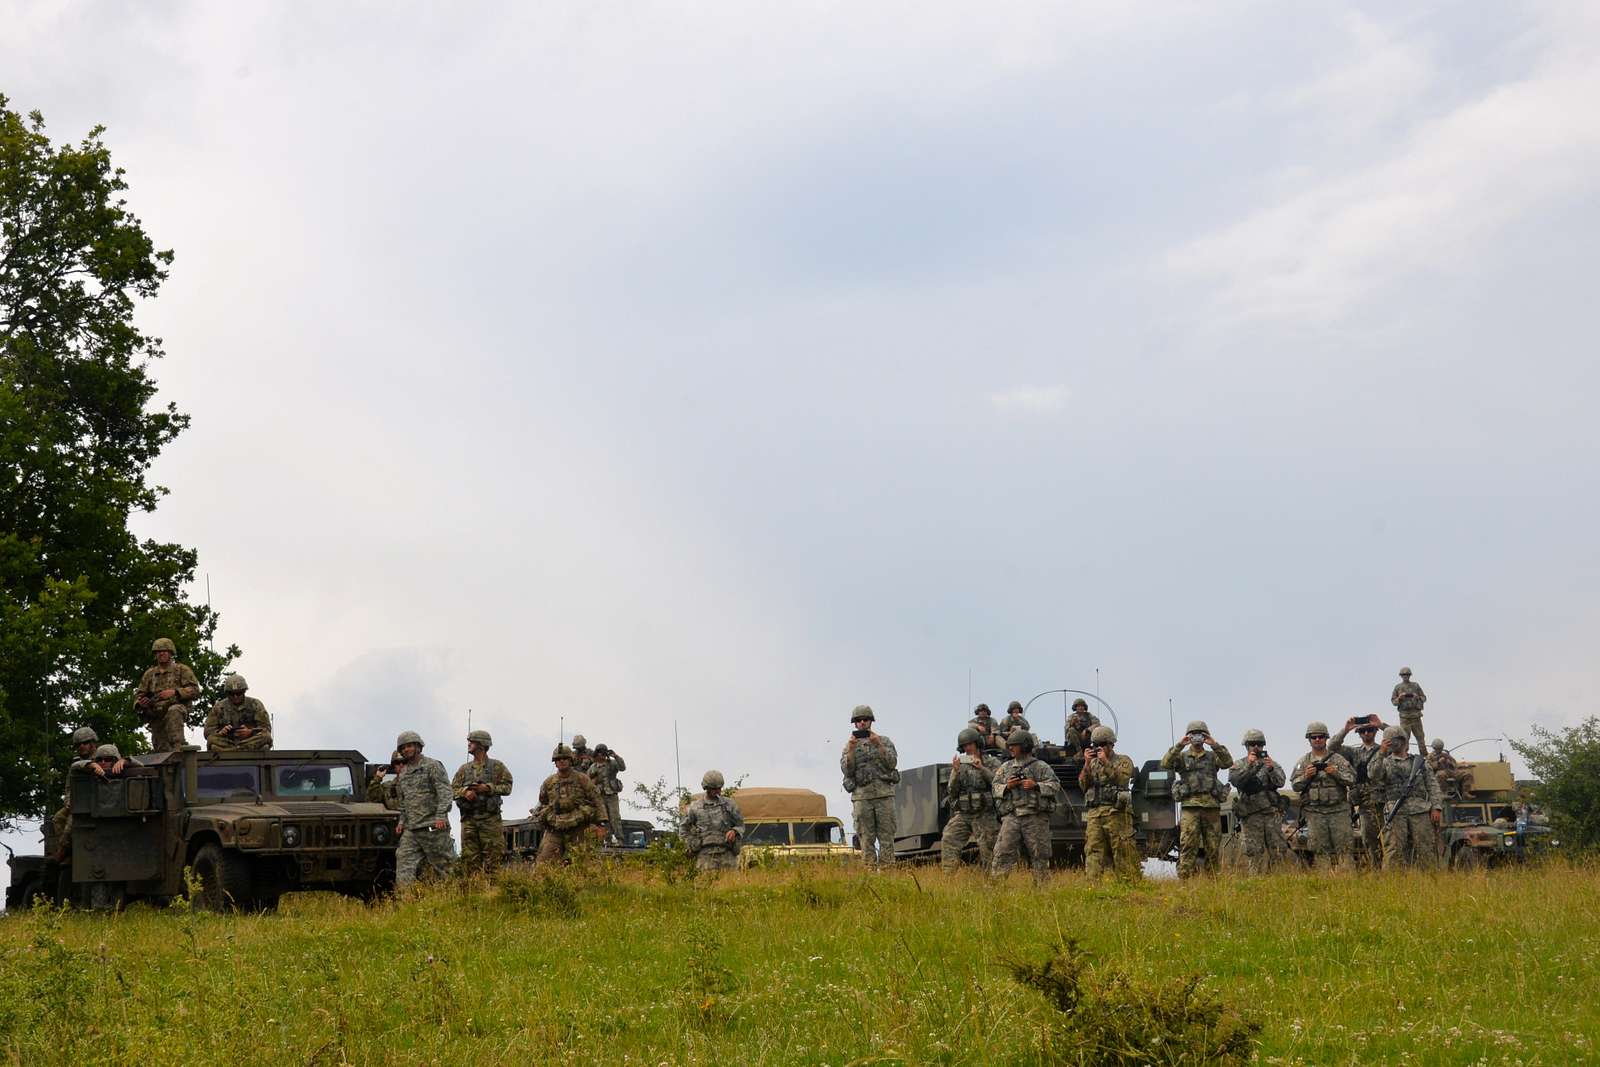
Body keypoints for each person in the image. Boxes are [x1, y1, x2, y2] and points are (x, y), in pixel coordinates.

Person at [1161, 720, 1233, 879]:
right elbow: (1165, 763)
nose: (1197, 737)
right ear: (1189, 736)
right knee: (1188, 846)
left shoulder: (1213, 756)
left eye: (1201, 734)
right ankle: (1185, 882)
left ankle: (1213, 882)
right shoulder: (1181, 756)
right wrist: (1180, 744)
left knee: (1213, 847)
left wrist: (1214, 744)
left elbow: (1228, 762)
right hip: (1190, 807)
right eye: (1194, 734)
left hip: (1211, 808)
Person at [384, 730, 453, 887]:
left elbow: (445, 792)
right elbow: (404, 802)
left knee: (445, 867)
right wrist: (402, 822)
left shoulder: (432, 766)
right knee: (403, 860)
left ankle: (454, 898)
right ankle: (405, 901)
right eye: (403, 748)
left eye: (409, 746)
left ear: (418, 747)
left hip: (432, 826)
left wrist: (441, 815)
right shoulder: (404, 773)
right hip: (412, 829)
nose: (406, 750)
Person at [991, 730, 1061, 882]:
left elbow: (1055, 785)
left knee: (1040, 856)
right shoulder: (1005, 767)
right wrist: (1007, 786)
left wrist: (1036, 785)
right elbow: (995, 787)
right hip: (1012, 817)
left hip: (1035, 817)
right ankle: (996, 888)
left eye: (1014, 746)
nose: (1010, 749)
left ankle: (1042, 890)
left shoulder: (1041, 766)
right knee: (1002, 853)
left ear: (1024, 746)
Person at [1370, 726, 1443, 869]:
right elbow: (1373, 775)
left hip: (1420, 810)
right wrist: (1381, 753)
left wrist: (1437, 807)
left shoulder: (1420, 762)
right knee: (1394, 849)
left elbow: (1433, 785)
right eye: (1389, 741)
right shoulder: (1384, 762)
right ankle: (1394, 882)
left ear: (1403, 741)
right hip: (1396, 811)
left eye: (1396, 740)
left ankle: (1430, 881)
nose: (1393, 744)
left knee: (1425, 847)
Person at [1291, 721, 1356, 869]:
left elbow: (1352, 780)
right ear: (1309, 739)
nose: (1318, 740)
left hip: (1338, 811)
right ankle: (1324, 883)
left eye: (1321, 736)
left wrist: (1336, 773)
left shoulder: (1338, 759)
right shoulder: (1303, 762)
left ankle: (1348, 882)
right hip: (1315, 813)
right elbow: (1295, 785)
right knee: (1320, 850)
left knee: (1345, 848)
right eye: (1314, 737)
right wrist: (1305, 776)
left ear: (1326, 738)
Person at [840, 705, 898, 868]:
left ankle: (887, 873)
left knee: (887, 837)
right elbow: (847, 770)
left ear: (871, 721)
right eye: (859, 720)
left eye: (866, 719)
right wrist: (851, 749)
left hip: (884, 796)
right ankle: (869, 873)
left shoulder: (884, 741)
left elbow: (892, 763)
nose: (863, 723)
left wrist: (878, 744)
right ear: (855, 724)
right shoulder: (849, 745)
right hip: (862, 797)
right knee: (866, 838)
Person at [1079, 725, 1138, 881]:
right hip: (1095, 814)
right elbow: (1083, 786)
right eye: (1095, 745)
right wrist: (1086, 764)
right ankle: (1093, 886)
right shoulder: (1092, 764)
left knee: (1122, 849)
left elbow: (1123, 779)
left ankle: (1128, 884)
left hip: (1116, 812)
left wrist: (1106, 762)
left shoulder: (1123, 760)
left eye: (1102, 744)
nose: (1099, 748)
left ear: (1111, 744)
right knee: (1092, 850)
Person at [941, 727, 1002, 871]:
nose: (967, 748)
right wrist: (955, 772)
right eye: (964, 746)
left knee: (989, 849)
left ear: (977, 743)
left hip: (984, 814)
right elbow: (952, 791)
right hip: (964, 813)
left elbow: (998, 783)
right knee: (949, 838)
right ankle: (948, 878)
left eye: (970, 744)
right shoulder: (960, 765)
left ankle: (993, 883)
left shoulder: (992, 762)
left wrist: (981, 768)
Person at [452, 729, 512, 874]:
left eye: (471, 742)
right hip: (469, 821)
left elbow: (508, 787)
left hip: (490, 820)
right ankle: (474, 892)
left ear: (481, 744)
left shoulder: (497, 766)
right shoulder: (464, 769)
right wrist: (465, 792)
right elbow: (451, 790)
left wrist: (488, 788)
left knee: (494, 860)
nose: (468, 744)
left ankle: (493, 893)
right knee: (470, 861)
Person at [1227, 729, 1286, 875]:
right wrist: (1250, 766)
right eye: (1252, 744)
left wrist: (1271, 768)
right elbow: (1236, 781)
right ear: (1246, 746)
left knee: (1278, 850)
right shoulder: (1239, 764)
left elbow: (1281, 782)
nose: (1256, 747)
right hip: (1251, 815)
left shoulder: (1271, 763)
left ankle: (1279, 882)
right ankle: (1256, 883)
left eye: (1259, 744)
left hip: (1271, 814)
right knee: (1254, 853)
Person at [533, 743, 605, 865]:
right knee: (544, 864)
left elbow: (596, 799)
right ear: (554, 762)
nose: (561, 761)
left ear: (571, 760)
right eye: (558, 759)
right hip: (555, 828)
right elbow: (543, 802)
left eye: (565, 758)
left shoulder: (582, 779)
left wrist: (601, 823)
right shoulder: (548, 782)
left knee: (582, 863)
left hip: (578, 828)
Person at [1330, 715, 1386, 868]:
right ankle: (1376, 870)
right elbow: (1332, 748)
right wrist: (1346, 730)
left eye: (1370, 730)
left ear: (1375, 732)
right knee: (1369, 838)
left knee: (1390, 839)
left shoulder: (1385, 749)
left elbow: (1399, 738)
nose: (1366, 734)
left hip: (1385, 802)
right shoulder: (1353, 753)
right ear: (1359, 734)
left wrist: (1381, 725)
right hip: (1364, 802)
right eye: (1363, 731)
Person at [132, 637, 199, 751]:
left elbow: (195, 690)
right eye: (158, 652)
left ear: (171, 653)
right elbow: (139, 695)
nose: (161, 654)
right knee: (161, 750)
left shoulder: (181, 670)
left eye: (164, 651)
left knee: (174, 711)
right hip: (156, 713)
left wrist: (175, 692)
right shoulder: (150, 674)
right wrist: (141, 703)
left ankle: (178, 746)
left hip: (176, 707)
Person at [49, 727, 102, 863]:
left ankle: (62, 852)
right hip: (77, 803)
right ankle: (69, 851)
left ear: (92, 743)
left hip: (96, 803)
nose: (81, 747)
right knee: (57, 818)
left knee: (71, 824)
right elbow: (69, 787)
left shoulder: (103, 757)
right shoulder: (76, 763)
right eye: (78, 745)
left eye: (84, 743)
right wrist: (68, 801)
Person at [681, 770, 745, 870]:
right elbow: (683, 829)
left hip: (727, 854)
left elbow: (740, 825)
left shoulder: (729, 805)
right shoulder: (695, 808)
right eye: (715, 789)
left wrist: (734, 831)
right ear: (707, 788)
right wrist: (692, 843)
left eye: (719, 788)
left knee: (730, 884)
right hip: (705, 856)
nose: (718, 791)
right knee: (706, 884)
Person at [203, 674, 274, 751]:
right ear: (227, 693)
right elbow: (208, 732)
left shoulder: (255, 704)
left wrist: (250, 732)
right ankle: (240, 749)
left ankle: (232, 750)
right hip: (228, 742)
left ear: (244, 691)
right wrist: (221, 732)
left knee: (266, 737)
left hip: (249, 741)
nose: (235, 696)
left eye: (238, 693)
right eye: (231, 694)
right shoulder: (219, 707)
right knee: (211, 739)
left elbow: (266, 729)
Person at [589, 743, 627, 843]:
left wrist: (616, 756)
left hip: (611, 794)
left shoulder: (612, 763)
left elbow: (622, 767)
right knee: (603, 819)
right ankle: (607, 839)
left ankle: (619, 839)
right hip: (600, 796)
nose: (600, 755)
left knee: (615, 818)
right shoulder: (593, 767)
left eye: (602, 753)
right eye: (598, 753)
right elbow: (588, 781)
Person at [1390, 667, 1427, 753]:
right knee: (1404, 738)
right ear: (1401, 676)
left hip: (1416, 716)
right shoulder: (1398, 687)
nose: (1405, 676)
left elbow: (1424, 698)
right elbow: (1393, 702)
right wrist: (1399, 698)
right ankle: (1404, 756)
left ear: (1410, 675)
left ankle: (1424, 755)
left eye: (1407, 675)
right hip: (1404, 717)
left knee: (1420, 737)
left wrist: (1418, 697)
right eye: (1403, 675)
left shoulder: (1415, 685)